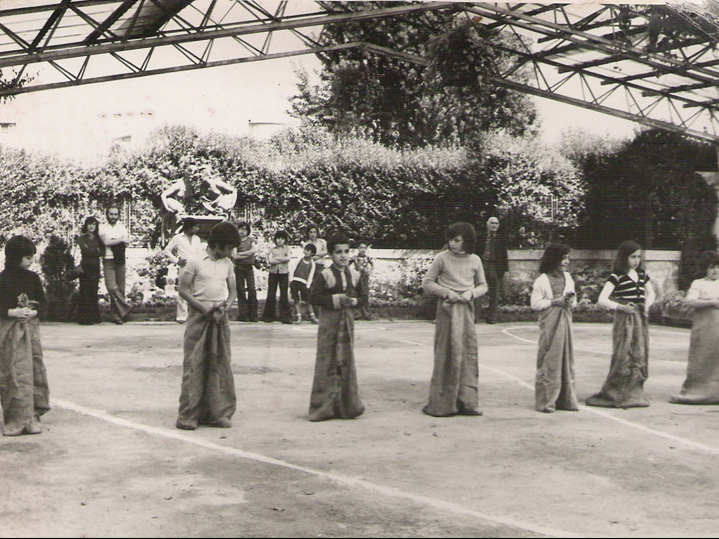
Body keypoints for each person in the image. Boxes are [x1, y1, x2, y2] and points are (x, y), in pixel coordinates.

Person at [175, 221, 240, 431]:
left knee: (219, 366)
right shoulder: (195, 261)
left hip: (219, 319)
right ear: (218, 244)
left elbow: (232, 293)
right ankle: (189, 415)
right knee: (194, 365)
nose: (231, 252)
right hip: (199, 318)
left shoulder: (228, 264)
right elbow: (183, 290)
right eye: (229, 247)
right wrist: (202, 308)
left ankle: (217, 413)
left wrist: (225, 308)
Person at [422, 222, 487, 417]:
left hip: (466, 310)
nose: (452, 244)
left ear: (467, 241)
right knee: (446, 353)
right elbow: (427, 283)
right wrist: (447, 292)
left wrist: (471, 293)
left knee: (467, 355)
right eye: (450, 240)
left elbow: (483, 285)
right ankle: (443, 403)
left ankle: (467, 402)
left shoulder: (475, 260)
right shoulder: (441, 258)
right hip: (446, 310)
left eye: (457, 240)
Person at [586, 240, 655, 409]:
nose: (636, 260)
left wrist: (646, 305)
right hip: (625, 319)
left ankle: (634, 393)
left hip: (640, 318)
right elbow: (602, 299)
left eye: (639, 257)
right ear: (624, 257)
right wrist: (621, 307)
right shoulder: (617, 276)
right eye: (633, 257)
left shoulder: (641, 274)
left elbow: (651, 293)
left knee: (639, 353)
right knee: (624, 354)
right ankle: (616, 393)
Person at [308, 233, 367, 421]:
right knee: (327, 360)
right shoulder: (325, 274)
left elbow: (365, 298)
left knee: (345, 360)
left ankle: (347, 406)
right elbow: (313, 297)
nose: (343, 256)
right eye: (338, 252)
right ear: (331, 255)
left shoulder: (356, 275)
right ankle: (323, 407)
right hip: (328, 323)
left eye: (346, 252)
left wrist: (354, 301)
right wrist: (335, 299)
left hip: (347, 323)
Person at [0, 236, 49, 436]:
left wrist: (33, 312)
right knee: (13, 373)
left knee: (34, 370)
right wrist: (13, 312)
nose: (30, 261)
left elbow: (44, 304)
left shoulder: (33, 278)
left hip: (31, 331)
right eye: (27, 257)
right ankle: (15, 419)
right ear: (15, 257)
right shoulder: (2, 279)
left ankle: (32, 417)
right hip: (10, 332)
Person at [530, 244, 579, 413]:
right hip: (549, 324)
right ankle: (546, 400)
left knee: (566, 358)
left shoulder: (568, 277)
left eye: (567, 258)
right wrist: (555, 302)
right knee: (549, 358)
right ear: (554, 260)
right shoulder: (542, 280)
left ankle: (565, 400)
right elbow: (535, 304)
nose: (566, 262)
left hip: (565, 322)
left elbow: (575, 301)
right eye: (563, 258)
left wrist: (569, 300)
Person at [670, 251, 719, 405]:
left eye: (718, 267)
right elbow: (691, 301)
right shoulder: (699, 283)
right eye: (712, 267)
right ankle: (699, 390)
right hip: (704, 326)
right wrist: (711, 302)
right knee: (702, 357)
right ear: (705, 268)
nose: (715, 270)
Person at [164, 217, 203, 324]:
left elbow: (200, 254)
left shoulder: (197, 239)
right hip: (184, 267)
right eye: (196, 227)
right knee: (183, 290)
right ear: (189, 227)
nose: (198, 229)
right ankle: (181, 316)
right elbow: (167, 251)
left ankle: (196, 314)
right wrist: (177, 261)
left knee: (196, 291)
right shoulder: (178, 238)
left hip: (196, 267)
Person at [98, 205, 132, 324]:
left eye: (115, 214)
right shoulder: (102, 227)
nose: (113, 216)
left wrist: (114, 240)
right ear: (107, 214)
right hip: (108, 259)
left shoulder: (122, 227)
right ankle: (126, 308)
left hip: (120, 259)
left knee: (121, 288)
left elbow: (127, 242)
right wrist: (120, 240)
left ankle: (117, 315)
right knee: (112, 287)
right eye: (111, 214)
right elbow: (105, 242)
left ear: (118, 215)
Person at [477, 216, 508, 324]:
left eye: (496, 223)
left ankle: (491, 318)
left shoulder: (501, 238)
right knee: (477, 291)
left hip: (495, 266)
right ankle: (474, 317)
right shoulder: (480, 237)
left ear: (498, 226)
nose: (494, 225)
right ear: (487, 224)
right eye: (492, 223)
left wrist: (506, 269)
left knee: (494, 293)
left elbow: (504, 255)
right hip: (481, 265)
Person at [75, 216, 104, 325]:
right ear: (86, 225)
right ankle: (84, 318)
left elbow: (102, 252)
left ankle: (94, 317)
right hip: (86, 266)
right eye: (89, 224)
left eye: (94, 224)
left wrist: (92, 250)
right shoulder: (82, 238)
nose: (91, 226)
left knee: (93, 290)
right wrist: (95, 250)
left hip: (95, 266)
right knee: (85, 291)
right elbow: (84, 250)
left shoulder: (98, 238)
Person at [261, 230, 292, 324]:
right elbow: (270, 261)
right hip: (273, 273)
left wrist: (277, 259)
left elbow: (288, 259)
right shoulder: (272, 249)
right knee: (271, 294)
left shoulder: (288, 248)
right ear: (275, 239)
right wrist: (282, 260)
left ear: (285, 240)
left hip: (284, 273)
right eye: (278, 238)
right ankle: (269, 316)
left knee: (284, 294)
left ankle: (286, 317)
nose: (280, 240)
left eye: (282, 238)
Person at [231, 221, 258, 322]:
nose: (242, 231)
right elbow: (234, 256)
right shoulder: (236, 242)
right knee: (241, 290)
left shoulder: (251, 240)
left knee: (252, 289)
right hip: (239, 268)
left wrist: (241, 254)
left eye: (245, 229)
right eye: (241, 229)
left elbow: (254, 250)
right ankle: (243, 314)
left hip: (249, 267)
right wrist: (247, 254)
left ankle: (253, 314)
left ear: (248, 231)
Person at [289, 243, 318, 324]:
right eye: (305, 249)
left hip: (304, 283)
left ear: (312, 253)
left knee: (308, 301)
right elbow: (292, 269)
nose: (305, 251)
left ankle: (312, 316)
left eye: (307, 250)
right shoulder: (299, 259)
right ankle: (299, 317)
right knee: (296, 300)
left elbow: (310, 276)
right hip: (295, 281)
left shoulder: (312, 264)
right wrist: (291, 280)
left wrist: (308, 286)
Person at [349, 240, 375, 321]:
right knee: (356, 294)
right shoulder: (354, 258)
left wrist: (370, 272)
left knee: (365, 294)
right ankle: (357, 313)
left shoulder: (368, 258)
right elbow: (347, 264)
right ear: (358, 248)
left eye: (364, 248)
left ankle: (367, 314)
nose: (363, 249)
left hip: (365, 278)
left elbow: (373, 264)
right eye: (361, 248)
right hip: (357, 278)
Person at [306, 224, 328, 319]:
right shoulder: (306, 244)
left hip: (320, 267)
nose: (313, 234)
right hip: (311, 267)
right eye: (311, 232)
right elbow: (308, 257)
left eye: (314, 232)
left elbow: (326, 252)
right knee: (312, 290)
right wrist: (318, 255)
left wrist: (315, 254)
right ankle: (314, 313)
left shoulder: (322, 242)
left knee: (322, 289)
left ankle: (323, 313)